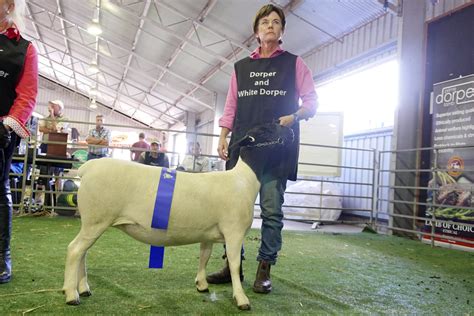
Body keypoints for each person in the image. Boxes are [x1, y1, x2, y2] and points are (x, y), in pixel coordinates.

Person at [206, 4, 317, 294]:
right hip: (242, 151)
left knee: (271, 210)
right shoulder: (241, 68)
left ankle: (265, 267)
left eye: (276, 22)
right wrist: (222, 136)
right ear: (256, 30)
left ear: (281, 31)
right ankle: (234, 267)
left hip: (276, 150)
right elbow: (231, 106)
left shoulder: (294, 64)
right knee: (231, 211)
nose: (270, 25)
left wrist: (294, 116)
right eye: (265, 22)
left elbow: (311, 102)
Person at [0, 0, 38, 284]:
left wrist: (8, 124)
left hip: (1, 131)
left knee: (0, 189)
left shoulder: (24, 49)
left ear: (10, 5)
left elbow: (27, 94)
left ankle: (2, 258)